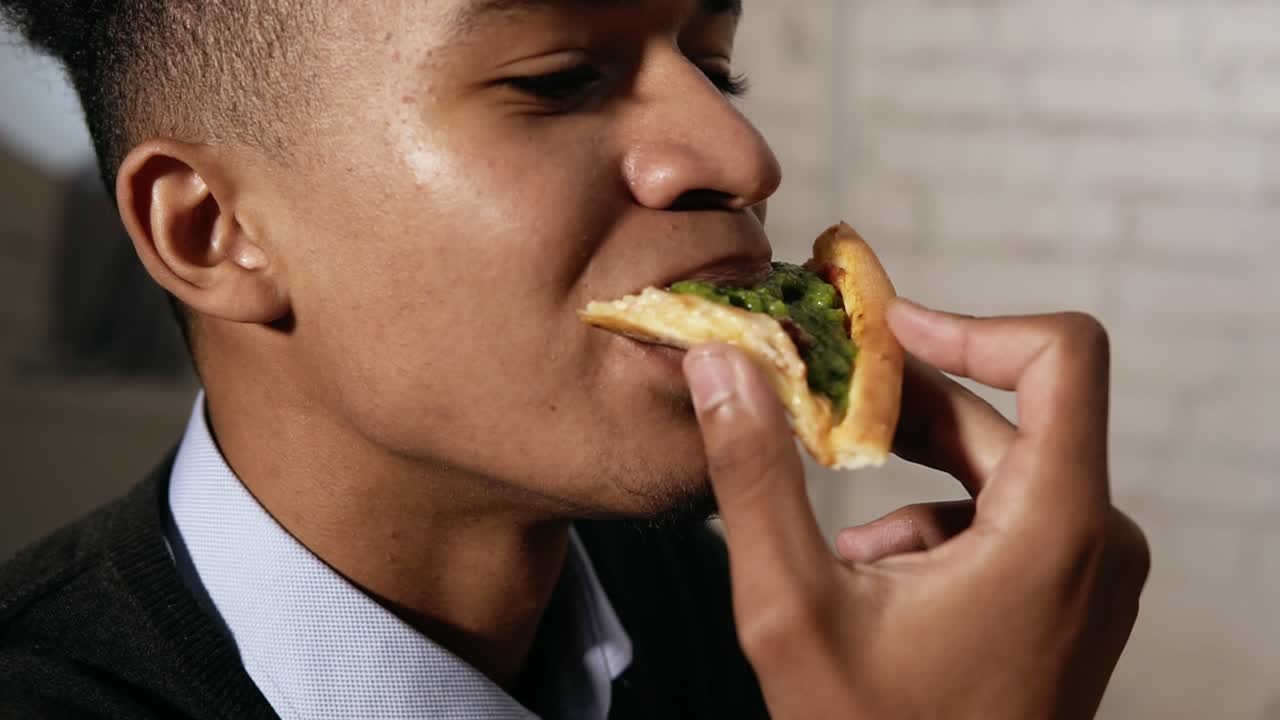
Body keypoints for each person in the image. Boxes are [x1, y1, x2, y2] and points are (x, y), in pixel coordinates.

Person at [0, 1, 1150, 718]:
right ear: (210, 228)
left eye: (715, 64)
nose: (738, 155)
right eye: (554, 80)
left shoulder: (762, 635)